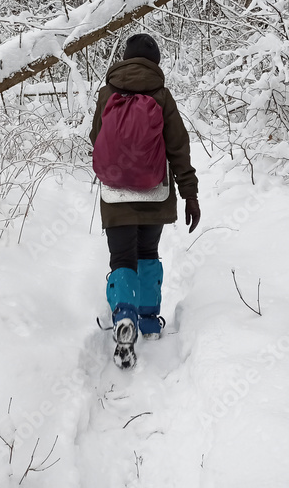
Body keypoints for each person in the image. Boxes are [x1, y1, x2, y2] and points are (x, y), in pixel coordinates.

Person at [90, 33, 200, 367]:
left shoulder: (107, 92)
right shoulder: (161, 95)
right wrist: (190, 193)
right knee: (147, 253)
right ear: (155, 62)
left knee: (122, 257)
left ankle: (125, 315)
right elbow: (178, 146)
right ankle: (150, 322)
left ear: (126, 58)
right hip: (155, 192)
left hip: (115, 192)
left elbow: (96, 137)